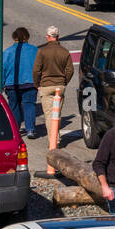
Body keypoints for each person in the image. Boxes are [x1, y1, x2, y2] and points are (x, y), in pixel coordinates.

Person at [32, 26, 74, 177]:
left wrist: (37, 84)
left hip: (46, 85)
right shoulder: (65, 52)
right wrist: (64, 82)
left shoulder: (42, 51)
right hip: (59, 86)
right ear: (58, 36)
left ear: (48, 36)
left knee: (50, 114)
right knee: (57, 114)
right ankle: (55, 139)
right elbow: (70, 70)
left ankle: (53, 142)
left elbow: (36, 69)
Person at [1, 27, 38, 138]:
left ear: (14, 38)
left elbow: (3, 69)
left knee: (14, 106)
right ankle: (30, 129)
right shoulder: (34, 50)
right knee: (29, 105)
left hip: (12, 84)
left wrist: (1, 84)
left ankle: (15, 129)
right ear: (27, 37)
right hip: (30, 82)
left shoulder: (7, 52)